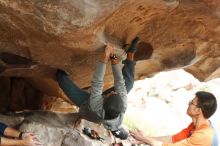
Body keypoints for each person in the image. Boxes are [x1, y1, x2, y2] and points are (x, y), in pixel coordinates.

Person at [56, 37, 140, 140]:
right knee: (129, 85)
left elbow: (97, 81)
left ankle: (62, 76)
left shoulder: (96, 107)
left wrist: (106, 55)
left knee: (61, 77)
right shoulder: (122, 106)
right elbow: (120, 83)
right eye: (115, 93)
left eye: (111, 94)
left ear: (104, 101)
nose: (113, 91)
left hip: (85, 104)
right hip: (105, 104)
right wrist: (114, 63)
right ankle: (130, 53)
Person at [130, 91, 219, 146]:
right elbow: (173, 139)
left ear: (198, 111)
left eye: (191, 103)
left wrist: (144, 139)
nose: (188, 104)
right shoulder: (196, 125)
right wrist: (144, 138)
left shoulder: (203, 135)